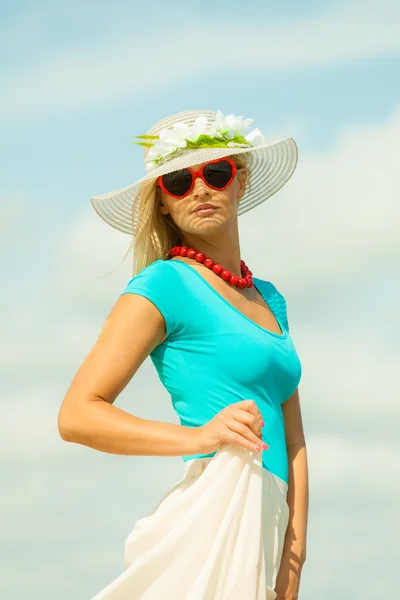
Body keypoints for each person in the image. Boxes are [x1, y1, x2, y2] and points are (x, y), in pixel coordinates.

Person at [58, 109, 308, 600]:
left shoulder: (270, 298)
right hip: (217, 508)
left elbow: (295, 443)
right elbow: (76, 415)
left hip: (268, 519)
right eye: (177, 181)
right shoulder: (164, 285)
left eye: (216, 173)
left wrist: (293, 564)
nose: (199, 188)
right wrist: (199, 436)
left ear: (240, 181)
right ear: (164, 205)